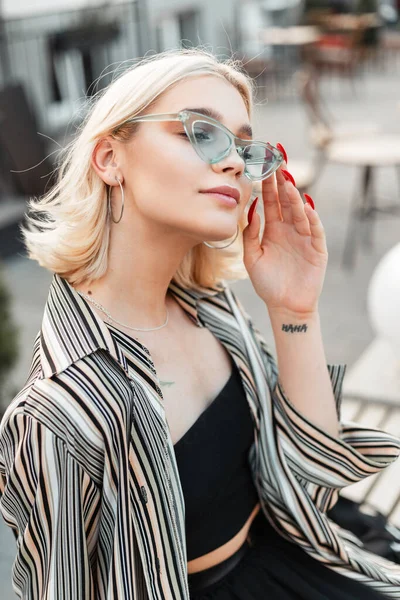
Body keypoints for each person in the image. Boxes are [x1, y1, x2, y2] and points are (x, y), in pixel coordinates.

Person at [0, 48, 399, 600]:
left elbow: (316, 485)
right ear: (109, 158)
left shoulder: (211, 309)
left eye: (243, 144)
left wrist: (294, 311)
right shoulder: (61, 412)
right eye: (201, 132)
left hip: (301, 553)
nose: (234, 162)